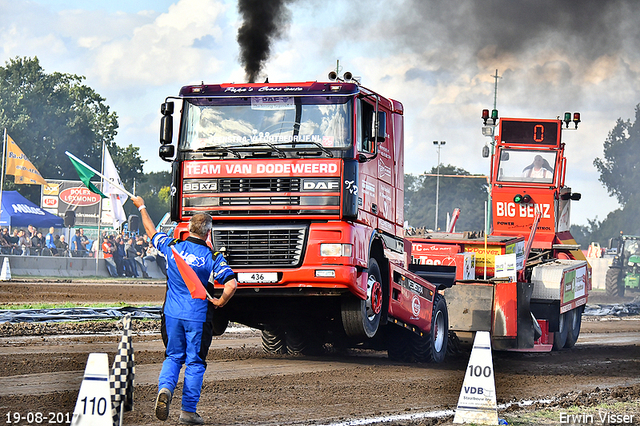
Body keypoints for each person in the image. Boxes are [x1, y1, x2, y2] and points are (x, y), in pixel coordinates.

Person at [132, 195, 237, 425]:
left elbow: (151, 232)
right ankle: (188, 412)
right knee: (195, 362)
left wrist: (142, 206)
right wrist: (220, 302)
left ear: (188, 229)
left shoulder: (172, 247)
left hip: (171, 315)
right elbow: (231, 284)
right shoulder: (212, 257)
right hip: (198, 318)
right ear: (208, 233)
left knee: (172, 356)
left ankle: (165, 389)